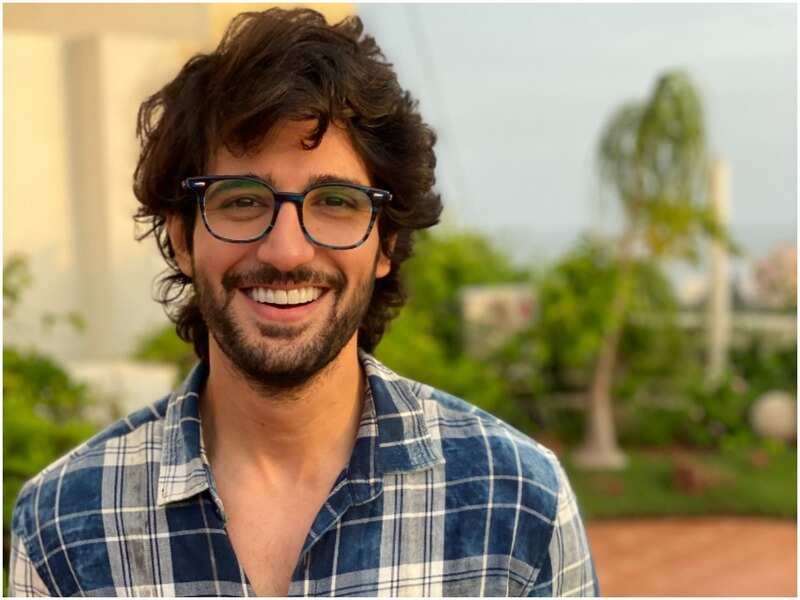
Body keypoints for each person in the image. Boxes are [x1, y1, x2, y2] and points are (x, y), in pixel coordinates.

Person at [9, 8, 599, 597]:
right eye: (242, 200)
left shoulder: (517, 507)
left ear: (386, 242)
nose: (287, 251)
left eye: (335, 202)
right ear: (183, 238)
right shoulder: (65, 526)